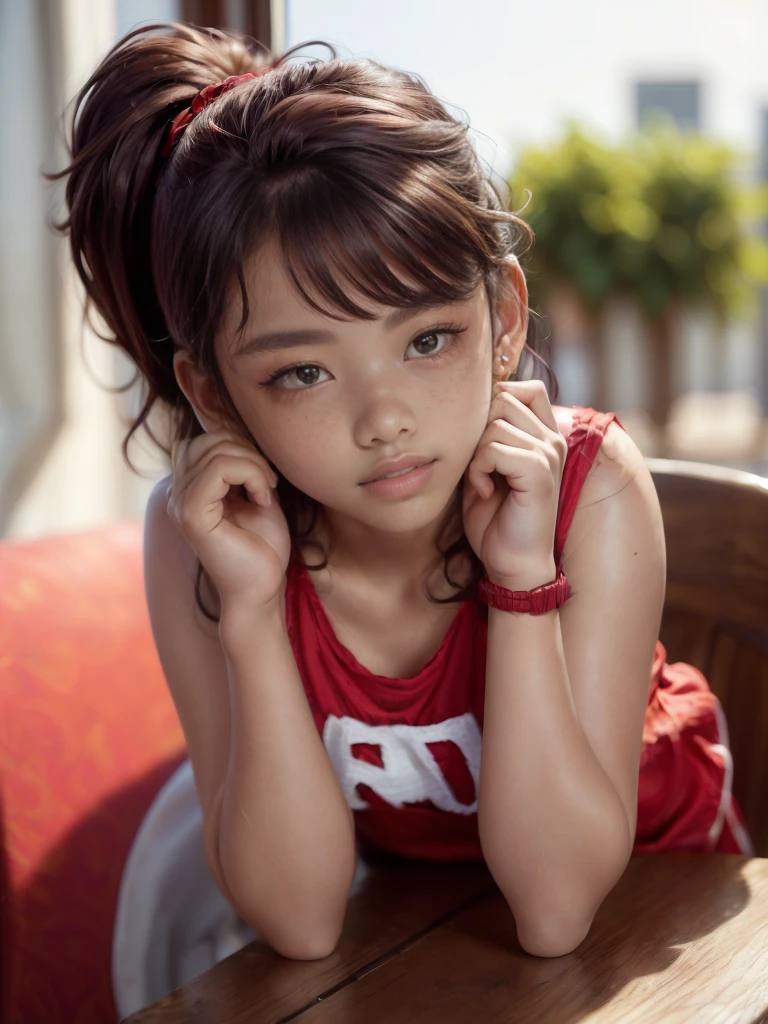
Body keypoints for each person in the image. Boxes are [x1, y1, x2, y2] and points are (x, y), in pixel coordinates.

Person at [50, 19, 754, 1017]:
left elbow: (556, 910)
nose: (385, 420)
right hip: (416, 924)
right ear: (212, 394)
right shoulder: (205, 535)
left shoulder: (589, 487)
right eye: (303, 370)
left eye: (428, 339)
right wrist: (252, 615)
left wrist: (520, 585)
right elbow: (299, 919)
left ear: (504, 317)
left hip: (659, 915)